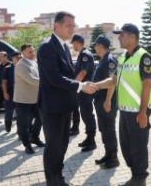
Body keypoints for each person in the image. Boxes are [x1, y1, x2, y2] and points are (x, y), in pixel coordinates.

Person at [37, 11, 96, 186]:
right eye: (69, 25)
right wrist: (80, 86)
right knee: (53, 147)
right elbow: (54, 78)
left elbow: (67, 74)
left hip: (64, 105)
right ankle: (53, 181)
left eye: (73, 25)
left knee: (62, 145)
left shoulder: (63, 46)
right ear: (57, 26)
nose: (73, 29)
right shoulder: (47, 46)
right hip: (52, 107)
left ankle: (59, 177)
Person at [94, 23, 151, 186]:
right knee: (126, 146)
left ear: (132, 36)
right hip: (125, 110)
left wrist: (143, 113)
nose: (118, 38)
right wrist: (96, 85)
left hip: (139, 111)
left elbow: (147, 85)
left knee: (138, 146)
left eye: (122, 35)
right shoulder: (123, 57)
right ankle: (135, 174)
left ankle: (139, 177)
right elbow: (114, 80)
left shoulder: (144, 56)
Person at [91, 35, 119, 168]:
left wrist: (108, 101)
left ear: (101, 46)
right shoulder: (103, 60)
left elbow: (112, 82)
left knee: (109, 129)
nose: (95, 47)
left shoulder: (110, 60)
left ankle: (113, 158)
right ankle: (108, 154)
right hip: (100, 100)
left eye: (96, 45)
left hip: (107, 101)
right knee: (104, 129)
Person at [14, 44, 44, 154]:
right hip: (23, 100)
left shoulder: (33, 62)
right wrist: (47, 82)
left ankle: (34, 138)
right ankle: (27, 145)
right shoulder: (21, 65)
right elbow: (31, 80)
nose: (32, 53)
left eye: (33, 51)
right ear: (23, 53)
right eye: (29, 52)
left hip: (34, 98)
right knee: (23, 124)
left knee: (41, 118)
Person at [71, 34, 97, 152]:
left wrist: (73, 85)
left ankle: (92, 141)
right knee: (84, 114)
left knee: (88, 114)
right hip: (82, 89)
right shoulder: (82, 54)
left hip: (86, 89)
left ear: (77, 42)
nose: (73, 46)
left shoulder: (85, 54)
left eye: (73, 44)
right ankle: (88, 138)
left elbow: (83, 72)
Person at [2, 52, 21, 133]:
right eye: (18, 58)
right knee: (9, 111)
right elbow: (4, 81)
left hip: (21, 92)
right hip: (10, 91)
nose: (20, 59)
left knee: (20, 112)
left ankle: (20, 130)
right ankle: (8, 127)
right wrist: (5, 92)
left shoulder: (23, 67)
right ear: (13, 59)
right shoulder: (7, 68)